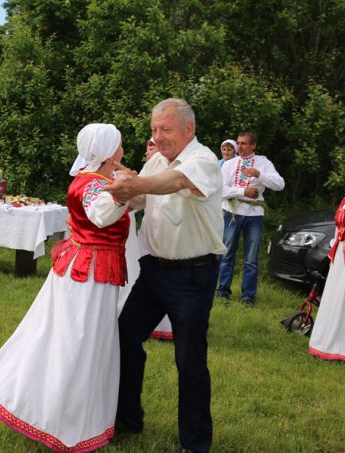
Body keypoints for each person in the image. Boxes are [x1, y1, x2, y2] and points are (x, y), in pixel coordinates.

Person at [0, 124, 130, 452]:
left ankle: (74, 413)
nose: (124, 149)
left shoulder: (94, 179)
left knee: (76, 338)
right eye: (121, 145)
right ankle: (64, 418)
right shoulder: (97, 185)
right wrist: (125, 190)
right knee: (81, 341)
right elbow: (101, 214)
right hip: (90, 274)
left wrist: (124, 187)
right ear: (110, 151)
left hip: (87, 268)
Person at [106, 98, 226, 453]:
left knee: (189, 360)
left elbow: (173, 182)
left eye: (166, 129)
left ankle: (195, 443)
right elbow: (143, 195)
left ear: (188, 129)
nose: (157, 137)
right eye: (154, 130)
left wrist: (137, 183)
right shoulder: (156, 159)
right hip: (154, 270)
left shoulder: (202, 160)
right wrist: (119, 182)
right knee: (124, 336)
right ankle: (128, 418)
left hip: (193, 275)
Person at [216, 131, 285, 307]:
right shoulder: (230, 164)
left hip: (254, 215)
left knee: (251, 258)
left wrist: (259, 174)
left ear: (253, 145)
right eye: (238, 143)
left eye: (244, 143)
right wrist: (242, 191)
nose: (240, 147)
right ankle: (222, 291)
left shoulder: (263, 162)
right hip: (231, 212)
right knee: (226, 254)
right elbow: (220, 190)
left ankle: (248, 296)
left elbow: (280, 185)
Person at [308, 157, 345, 365]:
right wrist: (333, 247)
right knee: (335, 295)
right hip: (340, 254)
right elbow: (340, 227)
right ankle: (327, 342)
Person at [118, 139, 173, 341]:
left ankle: (167, 325)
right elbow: (137, 197)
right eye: (149, 145)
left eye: (153, 146)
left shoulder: (190, 161)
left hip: (175, 246)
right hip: (150, 236)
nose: (150, 150)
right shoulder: (153, 163)